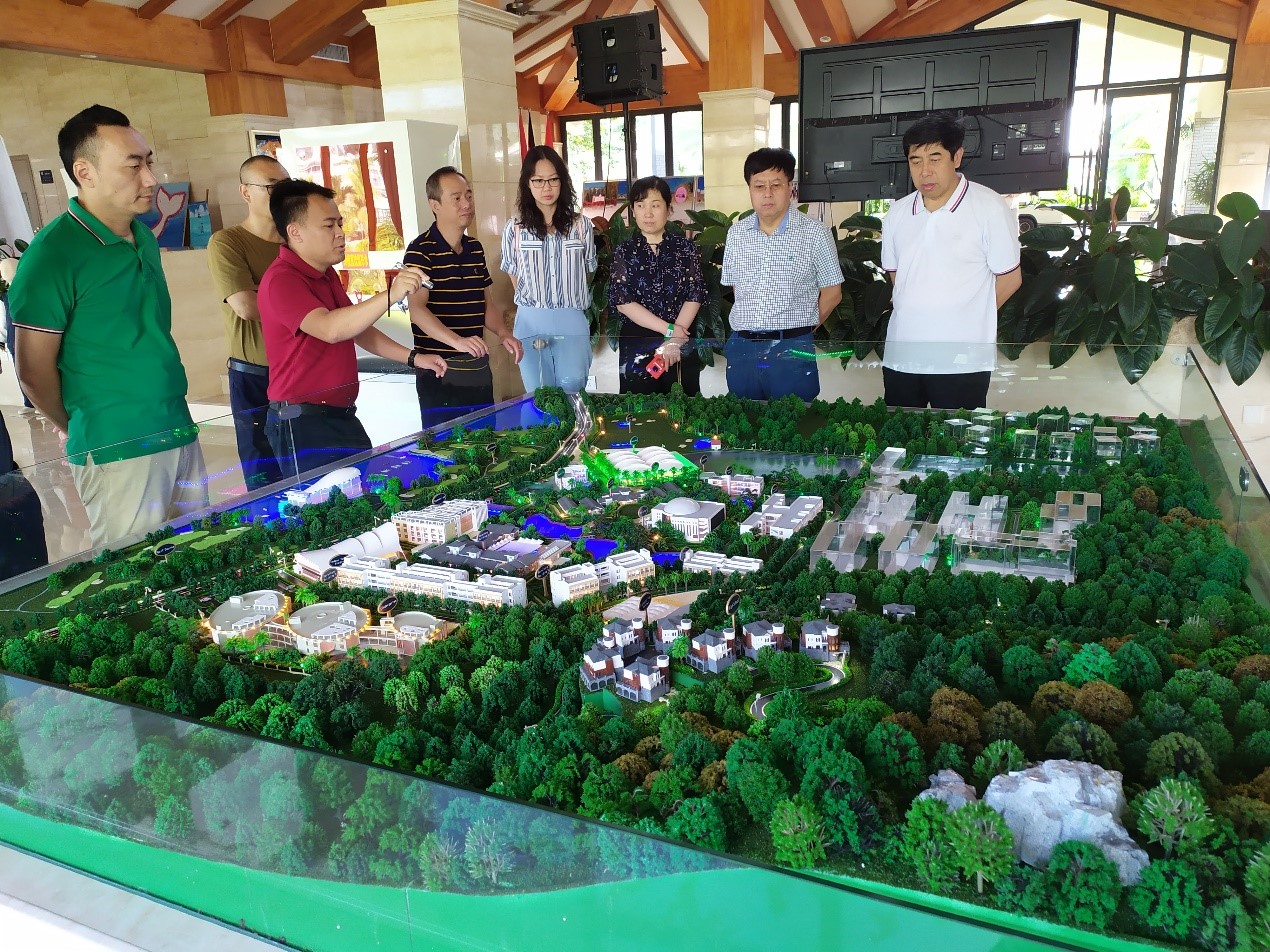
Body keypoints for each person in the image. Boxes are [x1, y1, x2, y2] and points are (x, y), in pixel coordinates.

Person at [9, 104, 207, 548]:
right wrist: (84, 425)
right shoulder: (53, 255)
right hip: (116, 446)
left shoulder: (143, 237)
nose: (150, 179)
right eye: (133, 166)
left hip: (176, 424)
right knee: (133, 572)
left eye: (149, 162)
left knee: (200, 556)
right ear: (85, 172)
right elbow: (33, 371)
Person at [257, 178, 444, 475]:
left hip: (340, 415)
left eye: (340, 224)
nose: (340, 233)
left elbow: (358, 328)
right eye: (328, 226)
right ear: (295, 232)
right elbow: (330, 329)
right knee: (329, 501)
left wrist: (413, 358)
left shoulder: (325, 273)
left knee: (363, 490)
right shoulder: (282, 279)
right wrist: (392, 294)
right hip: (302, 423)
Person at [881, 113, 1022, 410]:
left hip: (962, 361)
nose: (925, 171)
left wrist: (966, 318)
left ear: (956, 157)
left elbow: (1010, 279)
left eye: (935, 158)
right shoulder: (897, 213)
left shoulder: (989, 207)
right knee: (900, 432)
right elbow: (899, 278)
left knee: (956, 438)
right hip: (903, 356)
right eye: (915, 161)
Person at [403, 166, 523, 429]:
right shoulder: (420, 251)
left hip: (476, 366)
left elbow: (485, 303)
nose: (467, 204)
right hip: (438, 370)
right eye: (456, 198)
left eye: (468, 195)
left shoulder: (475, 248)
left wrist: (503, 332)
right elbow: (417, 310)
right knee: (446, 446)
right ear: (435, 205)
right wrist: (457, 341)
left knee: (486, 437)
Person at [721, 147, 843, 403]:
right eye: (759, 186)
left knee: (795, 422)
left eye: (776, 185)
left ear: (790, 188)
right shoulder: (736, 234)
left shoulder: (815, 233)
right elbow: (736, 289)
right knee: (743, 420)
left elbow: (833, 293)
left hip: (791, 348)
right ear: (750, 189)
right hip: (743, 349)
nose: (767, 193)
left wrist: (802, 328)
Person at [206, 155, 290, 490]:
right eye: (272, 186)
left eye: (287, 185)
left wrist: (263, 289)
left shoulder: (296, 242)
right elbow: (246, 305)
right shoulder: (228, 242)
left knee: (308, 463)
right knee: (263, 472)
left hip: (298, 370)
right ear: (246, 192)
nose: (282, 194)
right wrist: (300, 304)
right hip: (255, 374)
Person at [500, 146, 595, 394]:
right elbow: (514, 274)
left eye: (553, 179)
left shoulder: (581, 226)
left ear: (563, 181)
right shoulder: (515, 229)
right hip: (531, 321)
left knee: (574, 390)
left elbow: (586, 270)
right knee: (539, 395)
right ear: (527, 183)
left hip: (572, 318)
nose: (547, 187)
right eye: (538, 180)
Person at [608, 175, 706, 395]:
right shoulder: (624, 251)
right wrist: (670, 331)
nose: (648, 213)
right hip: (638, 345)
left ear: (668, 209)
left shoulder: (686, 249)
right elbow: (623, 302)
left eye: (655, 205)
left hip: (681, 343)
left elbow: (695, 293)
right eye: (640, 205)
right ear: (633, 211)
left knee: (683, 403)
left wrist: (675, 340)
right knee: (641, 407)